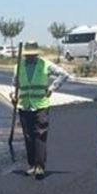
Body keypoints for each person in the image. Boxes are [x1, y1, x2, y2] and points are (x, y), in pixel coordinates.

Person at [15, 42, 70, 179]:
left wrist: (52, 88)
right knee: (28, 136)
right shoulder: (18, 67)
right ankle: (32, 165)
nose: (31, 57)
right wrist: (13, 96)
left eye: (33, 55)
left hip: (41, 105)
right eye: (28, 55)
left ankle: (40, 166)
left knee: (40, 134)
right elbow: (15, 85)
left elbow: (64, 74)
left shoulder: (45, 64)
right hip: (24, 105)